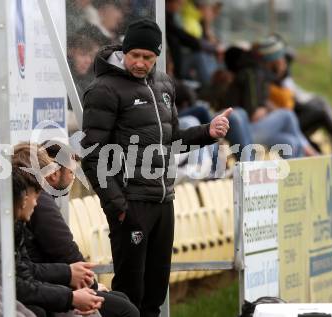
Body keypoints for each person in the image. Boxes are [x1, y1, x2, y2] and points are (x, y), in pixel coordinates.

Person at [81, 19, 231, 317]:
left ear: (157, 56)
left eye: (147, 57)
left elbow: (172, 141)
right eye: (134, 55)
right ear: (124, 51)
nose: (139, 62)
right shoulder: (104, 89)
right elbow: (92, 156)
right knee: (129, 295)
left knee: (156, 293)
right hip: (131, 204)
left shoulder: (163, 84)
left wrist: (207, 132)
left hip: (164, 201)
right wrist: (118, 206)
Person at [12, 142, 140, 317]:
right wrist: (84, 288)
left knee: (121, 300)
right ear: (53, 173)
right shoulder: (42, 202)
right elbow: (65, 250)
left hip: (48, 286)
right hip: (47, 290)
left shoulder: (26, 205)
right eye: (72, 172)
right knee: (126, 310)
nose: (73, 178)